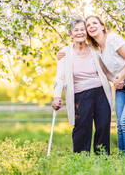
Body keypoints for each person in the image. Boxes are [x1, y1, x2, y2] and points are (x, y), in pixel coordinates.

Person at [85, 15, 125, 160]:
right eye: (88, 25)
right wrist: (116, 81)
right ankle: (123, 162)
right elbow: (107, 72)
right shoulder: (96, 50)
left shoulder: (113, 39)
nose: (91, 26)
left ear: (102, 26)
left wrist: (120, 77)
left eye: (94, 23)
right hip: (122, 87)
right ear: (87, 31)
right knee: (120, 125)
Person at [52, 17, 113, 154]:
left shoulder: (95, 48)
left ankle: (103, 161)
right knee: (82, 129)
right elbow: (60, 78)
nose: (80, 32)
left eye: (82, 29)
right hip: (80, 95)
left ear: (86, 32)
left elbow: (108, 67)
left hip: (101, 92)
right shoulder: (65, 52)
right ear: (71, 34)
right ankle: (80, 160)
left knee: (103, 126)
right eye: (76, 30)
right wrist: (56, 96)